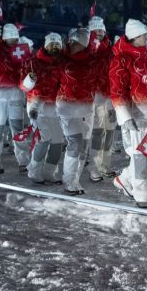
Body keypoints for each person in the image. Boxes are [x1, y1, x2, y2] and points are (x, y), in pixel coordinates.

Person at [109, 19, 147, 209]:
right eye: (144, 35)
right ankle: (141, 196)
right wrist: (125, 117)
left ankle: (125, 178)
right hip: (136, 113)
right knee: (140, 154)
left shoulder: (145, 56)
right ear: (134, 37)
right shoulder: (121, 59)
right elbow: (117, 91)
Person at [0, 23, 31, 173]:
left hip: (16, 92)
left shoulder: (20, 49)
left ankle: (23, 160)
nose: (14, 41)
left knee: (17, 126)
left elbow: (28, 66)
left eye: (16, 38)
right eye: (11, 39)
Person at [58, 28, 98, 195]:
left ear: (84, 44)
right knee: (75, 143)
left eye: (77, 42)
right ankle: (69, 182)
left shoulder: (93, 61)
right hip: (66, 107)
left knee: (83, 147)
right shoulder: (61, 58)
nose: (72, 44)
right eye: (71, 41)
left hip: (86, 108)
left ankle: (74, 180)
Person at [22, 33, 65, 185]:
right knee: (44, 137)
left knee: (58, 140)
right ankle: (34, 170)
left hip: (55, 107)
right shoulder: (34, 62)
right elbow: (23, 86)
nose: (54, 48)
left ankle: (49, 172)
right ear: (46, 45)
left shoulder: (62, 62)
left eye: (57, 45)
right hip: (37, 105)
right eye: (51, 44)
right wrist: (30, 79)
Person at [86, 16, 116, 182]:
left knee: (110, 130)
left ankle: (105, 165)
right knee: (98, 131)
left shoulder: (111, 47)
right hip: (96, 94)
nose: (99, 32)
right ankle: (95, 168)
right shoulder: (86, 49)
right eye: (95, 30)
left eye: (101, 29)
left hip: (111, 94)